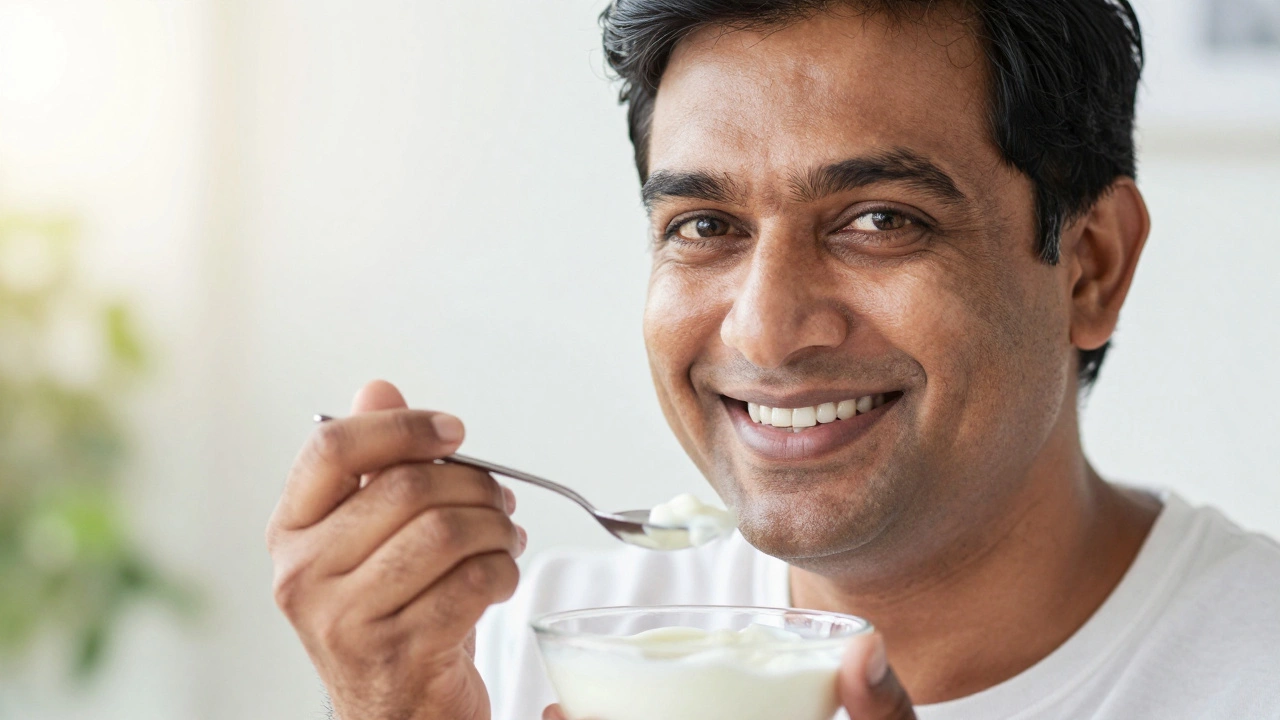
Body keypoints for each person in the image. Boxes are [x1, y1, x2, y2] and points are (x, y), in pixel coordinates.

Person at [265, 1, 1280, 719]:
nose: (763, 331)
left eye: (878, 220)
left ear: (1090, 267)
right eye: (703, 224)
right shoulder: (505, 652)